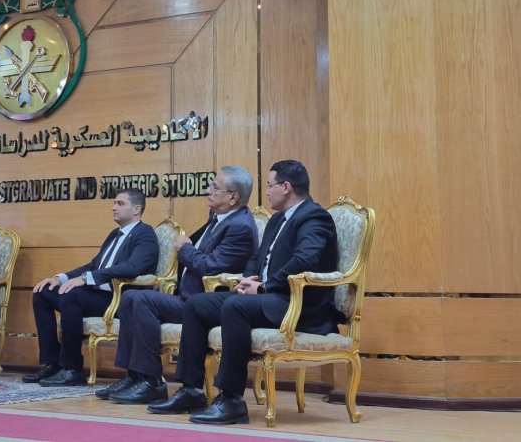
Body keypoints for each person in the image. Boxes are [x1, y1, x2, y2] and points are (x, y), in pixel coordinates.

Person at [147, 160, 340, 425]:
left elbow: (305, 260)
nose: (266, 191)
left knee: (235, 306)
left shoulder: (314, 217)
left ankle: (232, 400)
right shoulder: (276, 219)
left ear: (286, 187)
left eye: (269, 185)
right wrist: (247, 279)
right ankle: (191, 390)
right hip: (269, 297)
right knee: (197, 304)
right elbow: (257, 259)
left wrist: (264, 287)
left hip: (297, 304)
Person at [98, 166, 259, 405]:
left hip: (205, 305)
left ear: (233, 197)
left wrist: (185, 249)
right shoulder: (219, 218)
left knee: (142, 300)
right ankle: (135, 375)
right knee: (131, 296)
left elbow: (209, 267)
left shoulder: (240, 227)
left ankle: (151, 382)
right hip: (186, 297)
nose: (208, 190)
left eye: (215, 187)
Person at [24, 188, 160, 387]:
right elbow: (94, 264)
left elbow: (133, 267)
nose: (113, 207)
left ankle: (72, 368)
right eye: (114, 203)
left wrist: (88, 278)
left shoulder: (145, 233)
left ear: (137, 209)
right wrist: (61, 278)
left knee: (72, 296)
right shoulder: (114, 234)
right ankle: (53, 363)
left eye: (120, 203)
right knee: (43, 293)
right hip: (97, 295)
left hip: (118, 299)